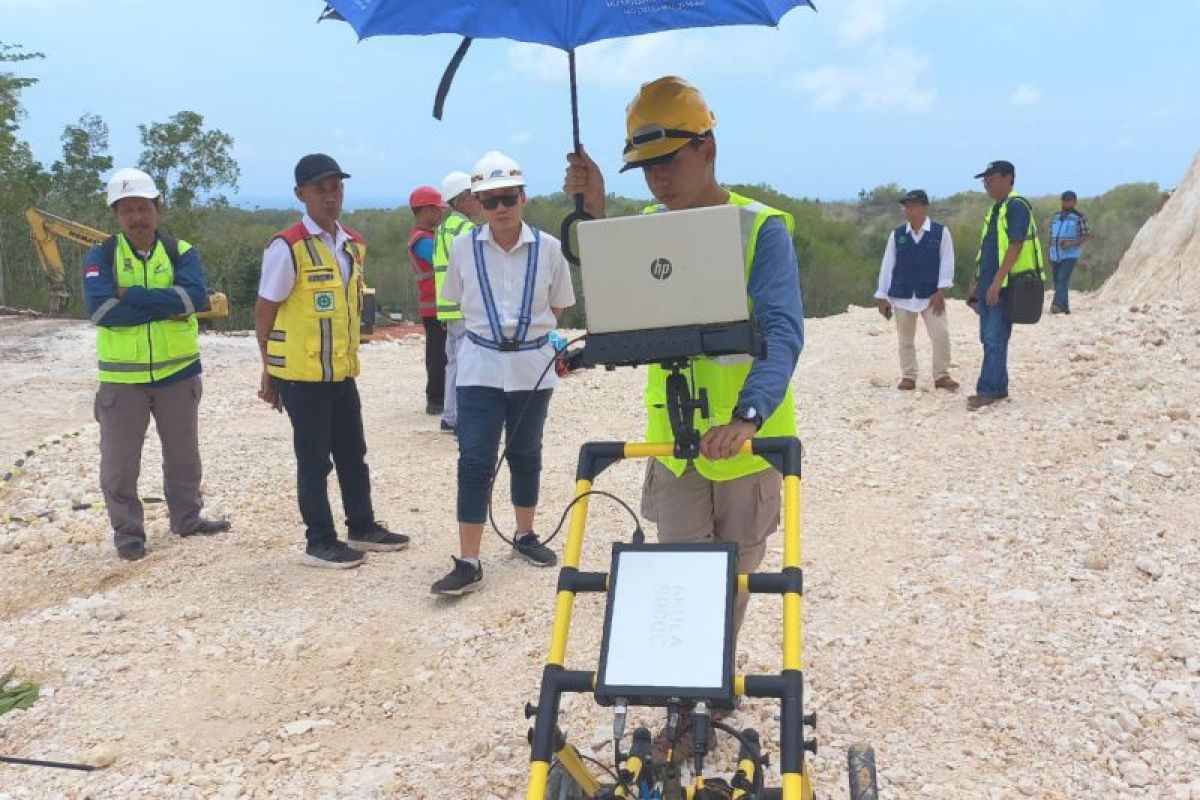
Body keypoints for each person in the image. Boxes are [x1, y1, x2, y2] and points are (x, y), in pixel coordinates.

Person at [565, 76, 804, 631]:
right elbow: (620, 314)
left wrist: (748, 415)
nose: (658, 177)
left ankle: (712, 689)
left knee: (734, 582)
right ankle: (683, 696)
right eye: (646, 167)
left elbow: (784, 334)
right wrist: (594, 215)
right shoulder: (644, 230)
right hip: (674, 445)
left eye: (669, 160)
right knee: (678, 576)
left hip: (746, 445)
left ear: (709, 149)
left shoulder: (760, 230)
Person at [431, 151, 576, 596]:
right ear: (477, 202)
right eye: (490, 201)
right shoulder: (462, 248)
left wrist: (528, 335)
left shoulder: (550, 248)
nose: (500, 209)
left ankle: (524, 534)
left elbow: (559, 305)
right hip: (480, 366)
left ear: (523, 197)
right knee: (474, 459)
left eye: (507, 198)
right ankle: (469, 560)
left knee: (526, 453)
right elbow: (457, 297)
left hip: (532, 367)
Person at [255, 153, 410, 568]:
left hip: (340, 371)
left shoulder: (352, 245)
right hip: (302, 377)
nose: (329, 196)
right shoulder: (287, 247)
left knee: (352, 454)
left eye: (335, 187)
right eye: (320, 189)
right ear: (300, 194)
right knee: (314, 461)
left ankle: (362, 527)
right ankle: (319, 540)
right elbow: (265, 310)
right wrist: (269, 369)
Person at [83, 167, 230, 561]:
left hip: (178, 374)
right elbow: (100, 311)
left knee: (184, 456)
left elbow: (193, 300)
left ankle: (187, 518)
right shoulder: (102, 255)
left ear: (158, 210)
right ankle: (128, 533)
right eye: (127, 209)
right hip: (122, 379)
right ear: (116, 215)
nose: (137, 217)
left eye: (143, 208)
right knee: (119, 464)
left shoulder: (181, 252)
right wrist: (164, 305)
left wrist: (128, 293)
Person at [969, 159, 1043, 411]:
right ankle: (998, 387)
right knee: (989, 337)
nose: (987, 184)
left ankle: (987, 390)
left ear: (1008, 178)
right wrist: (976, 283)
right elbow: (987, 251)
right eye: (985, 180)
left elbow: (1016, 244)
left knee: (994, 336)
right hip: (989, 283)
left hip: (1005, 286)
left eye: (991, 179)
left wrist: (997, 282)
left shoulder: (1017, 206)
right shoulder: (995, 210)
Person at [874, 189, 958, 391]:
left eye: (912, 206)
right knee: (905, 339)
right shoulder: (897, 235)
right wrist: (882, 296)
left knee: (940, 334)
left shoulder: (940, 233)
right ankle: (908, 376)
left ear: (924, 207)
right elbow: (888, 265)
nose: (908, 210)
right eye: (906, 207)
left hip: (930, 295)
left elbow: (947, 262)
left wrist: (941, 291)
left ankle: (941, 374)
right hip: (902, 294)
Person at [433, 171, 484, 435]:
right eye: (476, 197)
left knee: (453, 362)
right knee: (468, 363)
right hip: (465, 306)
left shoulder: (442, 230)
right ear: (463, 199)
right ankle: (462, 419)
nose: (480, 202)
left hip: (447, 307)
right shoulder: (467, 230)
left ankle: (450, 416)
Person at [409, 185, 449, 416]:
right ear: (424, 210)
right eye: (436, 209)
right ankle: (435, 399)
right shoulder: (421, 240)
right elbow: (442, 258)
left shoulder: (428, 236)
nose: (440, 213)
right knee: (437, 355)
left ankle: (441, 396)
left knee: (440, 353)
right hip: (434, 306)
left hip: (438, 305)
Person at [1048, 190, 1091, 314]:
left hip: (1070, 254)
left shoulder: (1079, 217)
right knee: (1057, 281)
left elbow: (1086, 235)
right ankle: (1064, 307)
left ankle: (1056, 305)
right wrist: (1049, 253)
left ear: (1074, 202)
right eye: (1064, 200)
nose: (1066, 203)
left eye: (1069, 200)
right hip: (1055, 254)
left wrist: (1071, 243)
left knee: (1062, 278)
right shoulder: (1056, 217)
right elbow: (1051, 236)